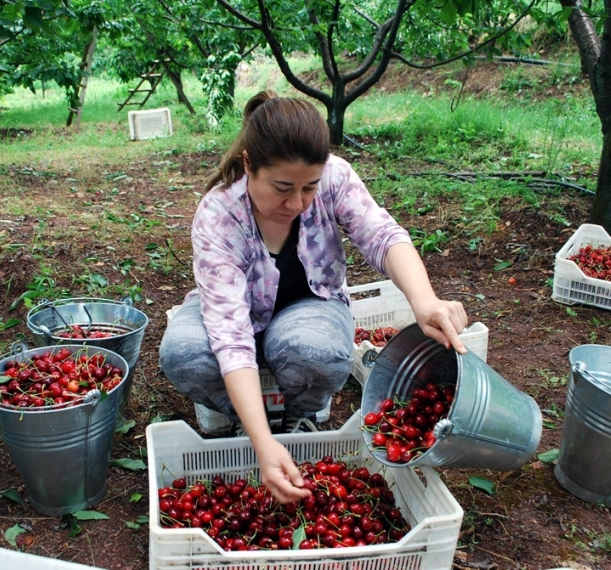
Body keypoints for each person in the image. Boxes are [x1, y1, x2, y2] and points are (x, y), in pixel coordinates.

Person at [159, 90, 468, 504]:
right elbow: (230, 335)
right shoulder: (220, 215)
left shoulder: (335, 177)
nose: (297, 202)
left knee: (315, 351)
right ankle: (245, 421)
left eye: (309, 188)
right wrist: (262, 443)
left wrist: (424, 300)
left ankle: (301, 414)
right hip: (235, 311)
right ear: (249, 164)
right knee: (185, 354)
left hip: (311, 305)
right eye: (282, 187)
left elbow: (382, 235)